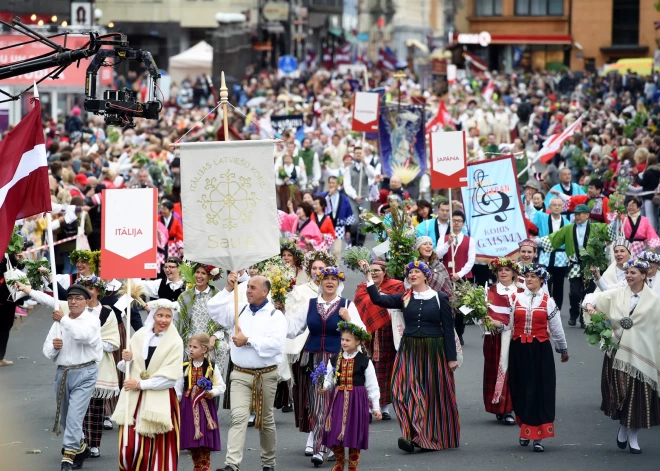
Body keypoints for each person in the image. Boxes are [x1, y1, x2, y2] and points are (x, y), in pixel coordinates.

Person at [361, 259, 460, 452]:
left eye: (416, 272)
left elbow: (448, 329)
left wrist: (451, 357)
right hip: (409, 348)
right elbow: (378, 300)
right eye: (410, 272)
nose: (412, 275)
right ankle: (411, 432)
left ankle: (425, 436)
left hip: (433, 349)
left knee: (431, 394)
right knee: (401, 389)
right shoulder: (405, 296)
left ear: (426, 275)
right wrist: (368, 278)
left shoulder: (440, 298)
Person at [207, 273, 287, 471]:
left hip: (266, 375)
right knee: (238, 417)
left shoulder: (275, 315)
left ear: (265, 291)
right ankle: (232, 464)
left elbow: (276, 345)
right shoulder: (239, 308)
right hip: (240, 374)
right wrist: (227, 288)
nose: (248, 290)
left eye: (252, 287)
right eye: (248, 286)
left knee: (265, 421)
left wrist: (248, 340)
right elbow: (213, 310)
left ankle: (268, 463)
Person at [287, 266, 365, 465]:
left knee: (331, 404)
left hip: (337, 361)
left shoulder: (346, 305)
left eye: (334, 279)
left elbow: (362, 333)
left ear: (339, 283)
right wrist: (276, 314)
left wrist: (348, 320)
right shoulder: (310, 304)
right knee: (317, 403)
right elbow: (293, 329)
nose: (330, 282)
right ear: (320, 282)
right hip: (312, 360)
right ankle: (322, 446)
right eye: (326, 278)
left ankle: (323, 447)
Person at [583, 259, 660, 454]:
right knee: (622, 394)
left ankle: (632, 435)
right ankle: (624, 427)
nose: (628, 275)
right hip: (618, 351)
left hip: (643, 352)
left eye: (633, 272)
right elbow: (592, 298)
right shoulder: (617, 293)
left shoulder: (654, 300)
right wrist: (590, 307)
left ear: (643, 275)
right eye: (627, 272)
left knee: (640, 397)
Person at [490, 264, 568, 453]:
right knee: (521, 389)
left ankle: (538, 437)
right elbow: (507, 324)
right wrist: (493, 324)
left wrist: (562, 348)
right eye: (527, 276)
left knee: (540, 391)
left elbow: (556, 327)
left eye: (533, 276)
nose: (529, 279)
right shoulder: (515, 299)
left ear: (542, 280)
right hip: (519, 350)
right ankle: (525, 428)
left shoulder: (548, 301)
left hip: (540, 350)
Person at [112, 299, 184, 471]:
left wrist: (140, 384)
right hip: (134, 398)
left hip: (160, 398)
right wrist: (126, 360)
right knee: (128, 449)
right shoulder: (139, 336)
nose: (164, 320)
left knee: (156, 451)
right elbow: (127, 367)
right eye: (160, 315)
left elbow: (170, 379)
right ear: (153, 315)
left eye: (168, 316)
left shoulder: (175, 342)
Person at [42, 284, 102, 471]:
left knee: (75, 417)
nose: (73, 302)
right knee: (66, 418)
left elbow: (82, 336)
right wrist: (55, 347)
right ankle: (81, 446)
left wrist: (64, 321)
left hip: (86, 372)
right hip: (63, 373)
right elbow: (46, 351)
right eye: (70, 298)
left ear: (86, 301)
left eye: (78, 298)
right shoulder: (58, 322)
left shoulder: (91, 320)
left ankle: (68, 456)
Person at [321, 321, 382, 471]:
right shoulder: (335, 359)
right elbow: (329, 377)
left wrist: (376, 407)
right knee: (334, 431)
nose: (344, 342)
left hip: (357, 401)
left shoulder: (364, 361)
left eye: (348, 340)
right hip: (338, 399)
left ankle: (353, 465)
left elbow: (372, 385)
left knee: (354, 433)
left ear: (358, 342)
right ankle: (339, 462)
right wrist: (324, 386)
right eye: (342, 339)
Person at [538, 204, 609, 328]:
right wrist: (533, 242)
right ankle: (573, 313)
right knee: (575, 293)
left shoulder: (597, 227)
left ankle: (583, 318)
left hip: (590, 266)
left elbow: (612, 231)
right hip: (575, 264)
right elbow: (553, 239)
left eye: (580, 213)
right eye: (576, 214)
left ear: (587, 215)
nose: (577, 216)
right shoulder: (568, 228)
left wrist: (618, 220)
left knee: (589, 293)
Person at [353, 259, 404, 421]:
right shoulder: (362, 288)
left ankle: (384, 407)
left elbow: (399, 303)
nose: (374, 273)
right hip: (368, 334)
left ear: (385, 272)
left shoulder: (395, 286)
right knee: (369, 369)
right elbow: (358, 308)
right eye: (371, 270)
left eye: (377, 270)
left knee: (386, 369)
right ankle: (368, 407)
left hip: (388, 332)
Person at [175, 333, 226, 471]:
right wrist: (175, 405)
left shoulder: (211, 367)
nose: (191, 349)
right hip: (188, 408)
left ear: (204, 349)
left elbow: (221, 386)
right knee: (193, 444)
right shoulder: (185, 366)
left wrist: (212, 392)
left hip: (205, 409)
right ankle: (199, 466)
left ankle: (203, 467)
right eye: (190, 346)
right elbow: (178, 388)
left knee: (204, 444)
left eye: (195, 347)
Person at [483, 258, 523, 425]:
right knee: (496, 370)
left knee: (514, 372)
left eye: (507, 269)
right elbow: (482, 315)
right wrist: (487, 321)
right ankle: (500, 407)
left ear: (514, 273)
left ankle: (511, 407)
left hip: (515, 337)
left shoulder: (521, 291)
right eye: (500, 270)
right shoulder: (489, 291)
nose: (504, 272)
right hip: (495, 338)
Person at [436, 211, 475, 344]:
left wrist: (460, 274)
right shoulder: (443, 238)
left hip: (463, 278)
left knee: (463, 307)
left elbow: (470, 261)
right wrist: (448, 244)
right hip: (446, 277)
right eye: (454, 220)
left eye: (459, 220)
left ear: (463, 224)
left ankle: (460, 331)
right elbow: (437, 255)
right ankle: (448, 332)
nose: (456, 223)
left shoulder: (470, 241)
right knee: (446, 305)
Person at [177, 262, 226, 362]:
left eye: (203, 273)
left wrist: (214, 337)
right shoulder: (185, 296)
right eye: (197, 272)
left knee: (221, 348)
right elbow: (179, 323)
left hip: (210, 339)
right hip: (190, 340)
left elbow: (225, 323)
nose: (199, 276)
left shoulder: (218, 296)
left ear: (210, 276)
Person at [530, 197, 570, 309]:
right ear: (549, 207)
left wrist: (570, 256)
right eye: (554, 205)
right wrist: (529, 202)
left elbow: (569, 241)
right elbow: (531, 212)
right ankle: (543, 307)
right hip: (545, 257)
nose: (557, 207)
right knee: (544, 283)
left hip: (561, 259)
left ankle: (557, 308)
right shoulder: (543, 217)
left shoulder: (567, 223)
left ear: (562, 207)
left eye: (559, 205)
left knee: (559, 285)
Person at [317, 175, 355, 259]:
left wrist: (348, 230)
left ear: (338, 184)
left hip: (339, 228)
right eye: (330, 183)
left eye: (333, 183)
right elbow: (319, 206)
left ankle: (335, 270)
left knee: (337, 251)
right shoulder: (323, 196)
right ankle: (325, 269)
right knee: (325, 252)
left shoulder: (343, 198)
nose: (331, 185)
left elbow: (348, 214)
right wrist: (329, 195)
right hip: (325, 228)